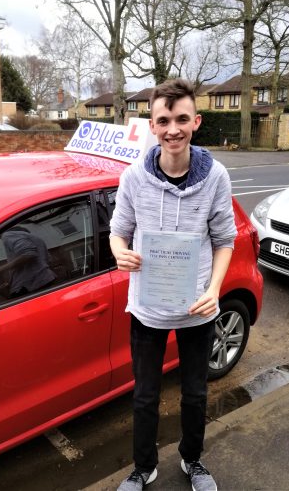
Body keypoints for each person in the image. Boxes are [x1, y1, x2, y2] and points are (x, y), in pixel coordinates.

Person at [109, 78, 237, 491]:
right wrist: (119, 251)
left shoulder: (215, 176)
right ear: (152, 124)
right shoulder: (133, 178)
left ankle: (193, 461)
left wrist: (214, 289)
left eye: (182, 118)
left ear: (196, 121)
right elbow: (118, 230)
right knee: (145, 396)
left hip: (197, 306)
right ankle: (142, 468)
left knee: (195, 395)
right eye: (163, 120)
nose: (173, 129)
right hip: (148, 307)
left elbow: (224, 240)